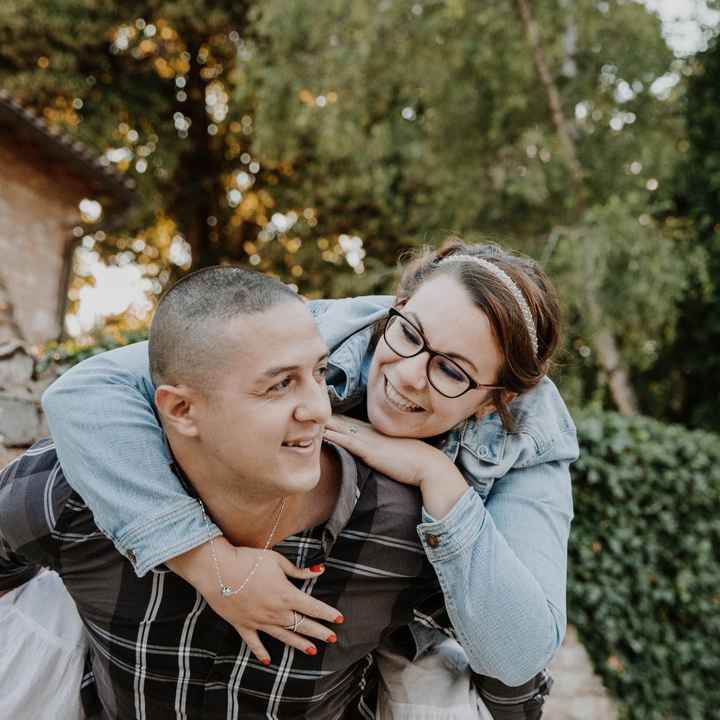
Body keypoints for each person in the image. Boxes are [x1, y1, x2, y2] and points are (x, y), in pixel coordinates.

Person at [42, 240, 578, 712]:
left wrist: (436, 475)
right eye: (409, 333)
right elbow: (83, 394)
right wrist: (211, 564)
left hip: (386, 640)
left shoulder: (528, 443)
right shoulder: (318, 333)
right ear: (398, 307)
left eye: (452, 372)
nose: (410, 375)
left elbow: (519, 652)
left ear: (496, 400)